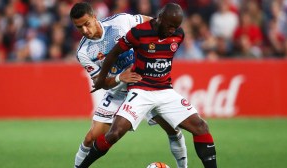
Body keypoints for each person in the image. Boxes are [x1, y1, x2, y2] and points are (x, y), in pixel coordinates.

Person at [82, 2, 217, 168]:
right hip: (141, 90)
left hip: (165, 91)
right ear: (160, 19)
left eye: (176, 26)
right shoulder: (139, 32)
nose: (172, 30)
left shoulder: (178, 35)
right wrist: (102, 80)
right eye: (169, 26)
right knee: (114, 134)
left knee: (201, 127)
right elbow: (114, 53)